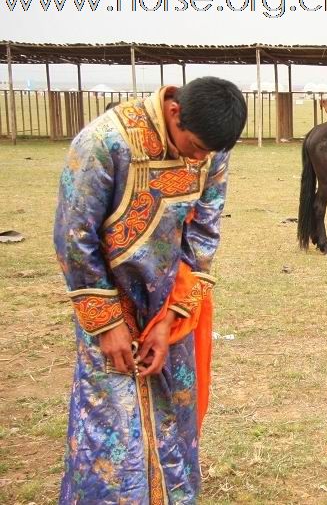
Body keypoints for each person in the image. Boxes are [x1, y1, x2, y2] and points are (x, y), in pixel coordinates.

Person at [54, 76, 247, 503]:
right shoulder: (105, 142)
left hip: (169, 304)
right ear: (175, 111)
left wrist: (173, 318)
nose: (200, 159)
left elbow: (202, 234)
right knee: (113, 427)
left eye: (209, 153)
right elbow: (73, 237)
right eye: (194, 147)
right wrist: (107, 325)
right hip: (110, 302)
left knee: (176, 416)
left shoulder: (212, 149)